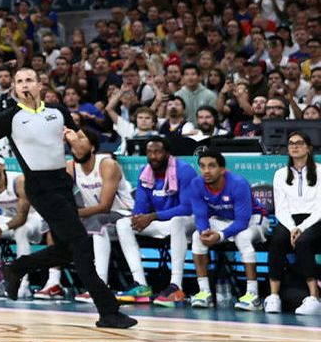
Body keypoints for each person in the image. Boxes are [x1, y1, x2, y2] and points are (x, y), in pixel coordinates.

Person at [0, 68, 134, 327]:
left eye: (29, 80)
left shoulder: (58, 112)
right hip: (39, 186)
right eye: (19, 82)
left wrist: (75, 140)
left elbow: (83, 148)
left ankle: (16, 268)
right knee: (81, 244)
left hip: (63, 182)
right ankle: (108, 310)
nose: (24, 85)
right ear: (15, 89)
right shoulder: (9, 117)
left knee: (65, 251)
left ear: (40, 85)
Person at [114, 137, 198, 306]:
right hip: (162, 221)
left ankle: (176, 285)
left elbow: (187, 208)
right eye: (150, 152)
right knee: (123, 224)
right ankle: (140, 284)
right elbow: (141, 206)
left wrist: (152, 217)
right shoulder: (145, 172)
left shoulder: (184, 171)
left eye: (158, 152)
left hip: (188, 222)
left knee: (177, 221)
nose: (153, 156)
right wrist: (138, 218)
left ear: (167, 154)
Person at [187, 148, 267, 310]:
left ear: (223, 169)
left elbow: (242, 221)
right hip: (222, 220)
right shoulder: (196, 184)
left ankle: (253, 296)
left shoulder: (238, 183)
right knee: (197, 236)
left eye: (211, 166)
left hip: (254, 219)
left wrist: (220, 235)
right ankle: (205, 293)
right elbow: (201, 215)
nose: (206, 171)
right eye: (202, 166)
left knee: (242, 237)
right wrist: (204, 232)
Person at [69, 124, 134, 301]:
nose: (76, 146)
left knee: (96, 221)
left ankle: (99, 286)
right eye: (73, 143)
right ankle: (53, 282)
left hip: (124, 215)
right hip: (95, 217)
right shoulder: (71, 166)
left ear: (92, 147)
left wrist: (74, 214)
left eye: (80, 141)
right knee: (55, 224)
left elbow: (105, 206)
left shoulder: (106, 163)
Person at [0, 154, 61, 297]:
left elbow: (22, 217)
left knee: (21, 230)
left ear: (3, 166)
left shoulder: (19, 181)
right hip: (11, 218)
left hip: (37, 216)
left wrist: (1, 228)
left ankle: (23, 283)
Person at [265, 130, 321, 315]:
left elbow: (320, 208)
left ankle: (314, 296)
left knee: (303, 242)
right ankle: (274, 296)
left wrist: (301, 228)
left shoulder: (320, 171)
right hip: (289, 220)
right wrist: (292, 228)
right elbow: (281, 208)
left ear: (309, 148)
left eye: (299, 143)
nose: (295, 146)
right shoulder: (280, 174)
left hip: (315, 218)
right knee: (277, 241)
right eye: (291, 143)